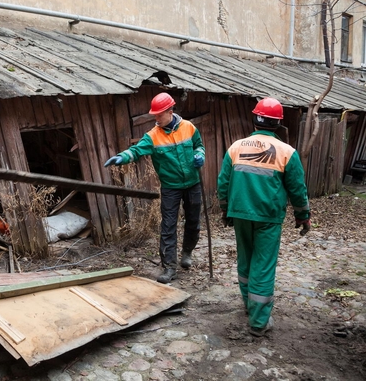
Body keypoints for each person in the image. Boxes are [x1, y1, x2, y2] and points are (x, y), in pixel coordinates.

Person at [217, 97, 310, 337]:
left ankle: (249, 304)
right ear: (278, 124)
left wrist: (225, 209)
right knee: (263, 264)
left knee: (245, 258)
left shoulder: (236, 147)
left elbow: (223, 182)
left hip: (239, 213)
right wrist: (303, 216)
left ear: (255, 119)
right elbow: (297, 189)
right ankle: (258, 322)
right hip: (268, 217)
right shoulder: (287, 152)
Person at [104, 92, 205, 284]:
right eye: (154, 115)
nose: (156, 118)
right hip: (171, 187)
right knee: (168, 227)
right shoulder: (152, 136)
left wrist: (200, 155)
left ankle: (187, 252)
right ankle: (169, 267)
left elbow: (199, 145)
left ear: (170, 111)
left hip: (193, 183)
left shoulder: (189, 128)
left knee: (193, 221)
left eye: (159, 114)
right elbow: (136, 151)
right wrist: (122, 157)